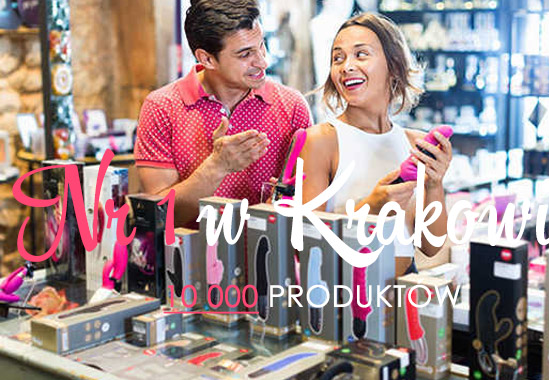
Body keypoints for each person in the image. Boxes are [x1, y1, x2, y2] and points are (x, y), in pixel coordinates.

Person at [134, 0, 312, 227]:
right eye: (245, 54)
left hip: (268, 247)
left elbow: (311, 201)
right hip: (190, 249)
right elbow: (161, 217)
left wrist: (284, 203)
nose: (263, 62)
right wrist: (218, 166)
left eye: (262, 45)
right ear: (207, 59)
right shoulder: (161, 108)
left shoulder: (292, 105)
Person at [300, 13, 452, 276]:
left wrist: (434, 184)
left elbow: (431, 246)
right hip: (347, 293)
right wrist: (372, 206)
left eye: (361, 54)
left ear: (393, 65)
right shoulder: (321, 140)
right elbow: (308, 246)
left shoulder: (414, 143)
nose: (347, 66)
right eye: (338, 58)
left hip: (403, 291)